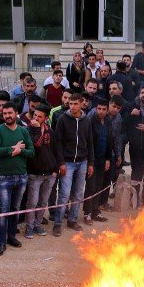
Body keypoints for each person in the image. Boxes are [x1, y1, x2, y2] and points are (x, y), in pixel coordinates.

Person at [0, 103, 36, 255]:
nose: (8, 116)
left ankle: (11, 237)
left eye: (10, 113)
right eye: (5, 113)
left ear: (16, 113)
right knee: (4, 211)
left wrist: (19, 151)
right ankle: (1, 242)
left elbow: (31, 152)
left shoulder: (23, 131)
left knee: (15, 209)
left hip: (21, 176)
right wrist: (14, 149)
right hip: (3, 178)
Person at [52, 93, 93, 236]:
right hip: (67, 163)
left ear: (82, 104)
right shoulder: (62, 119)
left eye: (76, 103)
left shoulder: (87, 120)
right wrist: (61, 162)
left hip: (82, 162)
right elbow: (57, 142)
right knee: (64, 194)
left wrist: (90, 163)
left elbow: (90, 142)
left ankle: (72, 220)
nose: (73, 106)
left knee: (77, 194)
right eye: (70, 103)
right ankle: (57, 223)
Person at [23, 104, 57, 238]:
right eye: (35, 115)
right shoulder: (28, 130)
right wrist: (37, 130)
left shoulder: (51, 132)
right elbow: (35, 145)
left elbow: (56, 151)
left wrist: (55, 170)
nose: (36, 118)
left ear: (46, 118)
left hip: (49, 174)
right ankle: (29, 227)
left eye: (39, 116)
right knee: (32, 202)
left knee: (43, 202)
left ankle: (37, 224)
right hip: (34, 174)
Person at [83, 98, 115, 224]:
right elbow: (88, 143)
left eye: (104, 109)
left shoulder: (107, 122)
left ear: (107, 111)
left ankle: (96, 211)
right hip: (92, 159)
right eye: (99, 109)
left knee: (99, 186)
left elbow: (109, 141)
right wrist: (90, 162)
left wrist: (108, 159)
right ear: (96, 109)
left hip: (102, 159)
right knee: (91, 187)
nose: (101, 112)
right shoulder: (90, 121)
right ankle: (87, 213)